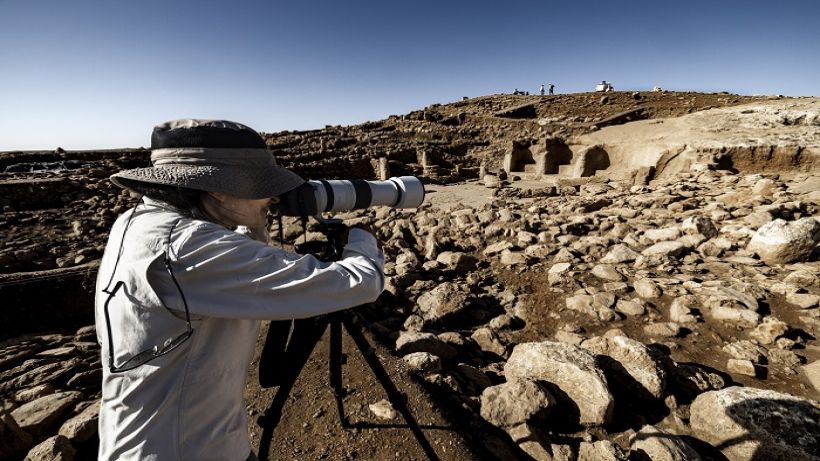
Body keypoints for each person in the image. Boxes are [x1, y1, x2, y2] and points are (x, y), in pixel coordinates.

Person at [94, 119, 384, 460]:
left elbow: (234, 257)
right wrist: (363, 239)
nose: (272, 196)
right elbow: (358, 282)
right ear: (216, 189)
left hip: (144, 439)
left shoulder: (138, 222)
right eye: (261, 185)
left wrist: (252, 220)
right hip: (190, 448)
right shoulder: (190, 248)